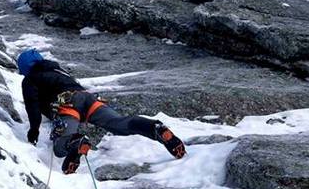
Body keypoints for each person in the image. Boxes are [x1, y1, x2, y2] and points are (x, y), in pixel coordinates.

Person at [17, 48, 186, 174]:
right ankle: (154, 128)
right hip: (89, 98)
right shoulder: (58, 71)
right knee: (120, 124)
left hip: (67, 106)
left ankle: (75, 143)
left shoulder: (30, 79)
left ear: (24, 68)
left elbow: (32, 105)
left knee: (60, 148)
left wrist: (33, 131)